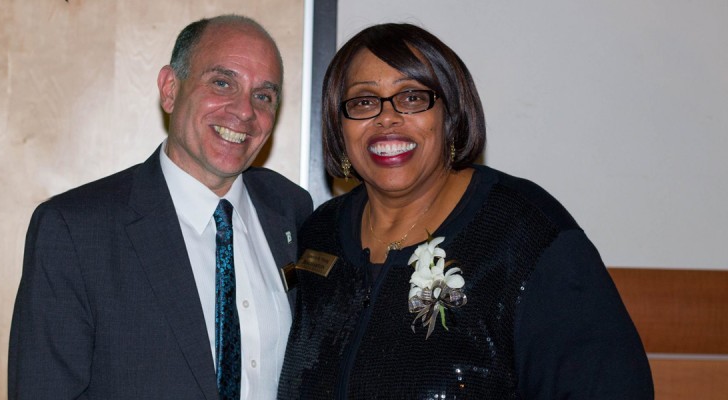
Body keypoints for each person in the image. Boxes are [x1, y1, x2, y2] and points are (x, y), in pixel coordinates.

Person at [278, 23, 653, 399]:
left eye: (412, 97)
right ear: (337, 124)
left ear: (451, 114)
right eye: (363, 101)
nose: (386, 118)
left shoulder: (526, 234)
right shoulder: (318, 235)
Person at [8, 15, 313, 400]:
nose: (244, 111)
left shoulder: (291, 210)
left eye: (264, 96)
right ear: (170, 89)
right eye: (222, 83)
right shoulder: (75, 230)